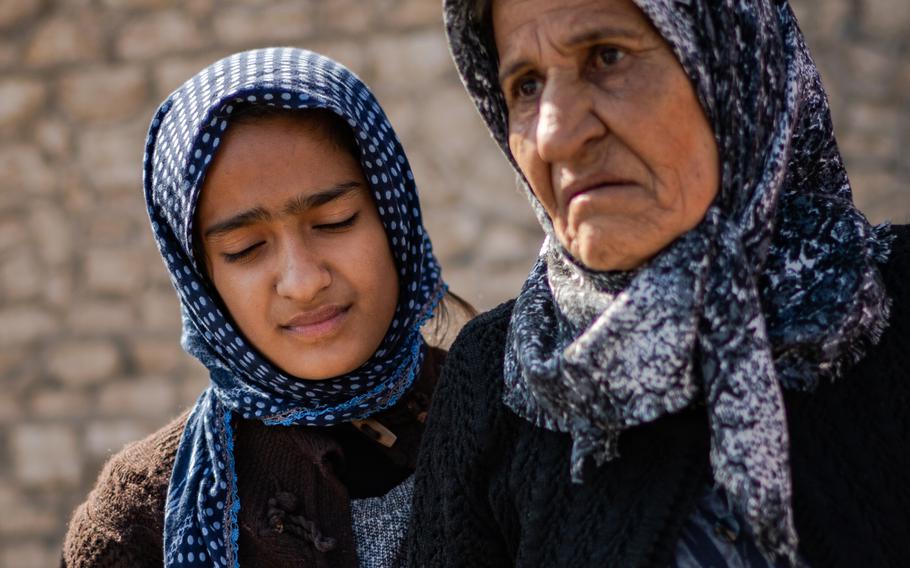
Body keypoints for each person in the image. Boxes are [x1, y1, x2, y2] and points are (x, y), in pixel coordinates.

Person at [408, 0, 910, 566]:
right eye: (524, 86)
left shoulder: (897, 305)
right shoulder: (490, 383)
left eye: (607, 56)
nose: (554, 135)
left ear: (731, 64)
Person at [62, 47, 468, 567]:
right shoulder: (138, 522)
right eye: (244, 250)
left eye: (336, 220)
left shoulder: (518, 414)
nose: (302, 283)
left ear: (394, 217)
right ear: (203, 281)